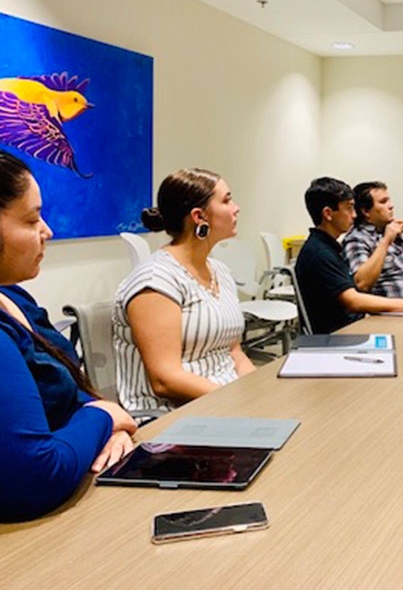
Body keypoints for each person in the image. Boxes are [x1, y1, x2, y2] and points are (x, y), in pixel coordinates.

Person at [0, 150, 136, 522]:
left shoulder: (13, 296)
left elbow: (66, 388)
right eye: (31, 219)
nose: (48, 231)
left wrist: (102, 429)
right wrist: (104, 418)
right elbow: (33, 477)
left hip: (75, 494)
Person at [113, 168, 255, 413]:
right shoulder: (155, 280)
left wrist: (258, 391)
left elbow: (234, 351)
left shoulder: (220, 271)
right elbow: (166, 380)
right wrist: (236, 402)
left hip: (223, 404)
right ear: (200, 216)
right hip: (172, 416)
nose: (236, 208)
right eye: (226, 200)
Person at [295, 177, 403, 334]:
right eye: (349, 208)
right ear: (328, 213)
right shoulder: (319, 253)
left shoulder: (328, 246)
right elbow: (353, 301)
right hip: (339, 337)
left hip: (354, 326)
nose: (354, 215)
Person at [342, 181, 403, 298]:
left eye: (389, 200)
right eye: (383, 202)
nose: (391, 206)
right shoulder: (357, 239)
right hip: (396, 310)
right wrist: (386, 241)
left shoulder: (391, 229)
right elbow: (362, 283)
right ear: (366, 211)